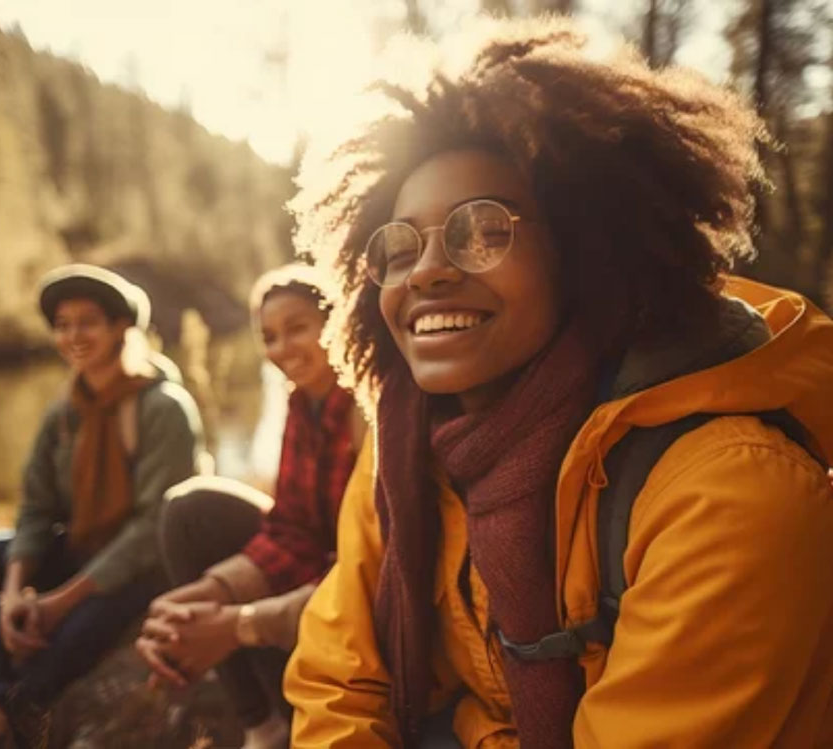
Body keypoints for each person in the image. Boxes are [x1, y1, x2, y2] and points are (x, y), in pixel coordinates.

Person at [282, 17, 833, 748]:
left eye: (483, 229)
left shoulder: (730, 492)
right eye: (398, 244)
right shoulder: (407, 439)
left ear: (582, 252)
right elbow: (336, 677)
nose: (428, 270)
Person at [0, 264, 204, 748]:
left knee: (65, 641)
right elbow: (36, 509)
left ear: (122, 327)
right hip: (81, 547)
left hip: (143, 565)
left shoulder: (164, 407)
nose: (73, 335)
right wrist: (14, 589)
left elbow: (151, 527)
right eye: (62, 324)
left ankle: (22, 710)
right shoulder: (63, 413)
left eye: (88, 322)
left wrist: (59, 602)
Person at [135, 264, 364, 749]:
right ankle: (261, 724)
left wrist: (244, 624)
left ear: (337, 320)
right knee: (189, 509)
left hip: (364, 597)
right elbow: (294, 529)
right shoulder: (303, 404)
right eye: (269, 337)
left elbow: (369, 567)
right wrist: (208, 592)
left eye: (297, 328)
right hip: (320, 574)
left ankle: (293, 711)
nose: (281, 349)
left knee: (246, 618)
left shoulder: (371, 409)